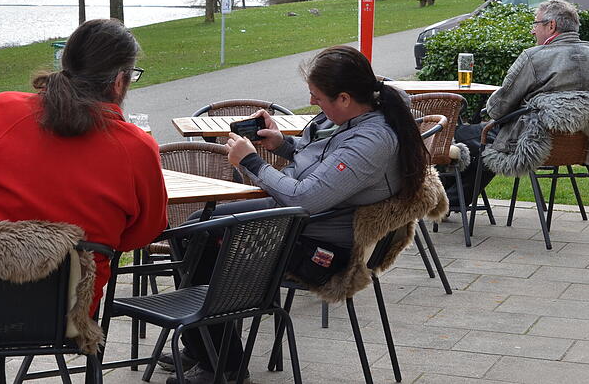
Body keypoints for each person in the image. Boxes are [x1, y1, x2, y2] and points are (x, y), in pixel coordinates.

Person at [0, 18, 169, 384]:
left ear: (66, 64)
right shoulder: (137, 148)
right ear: (118, 82)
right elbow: (144, 232)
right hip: (69, 316)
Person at [164, 45, 428, 384]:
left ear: (344, 98)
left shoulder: (371, 140)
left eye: (317, 96)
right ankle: (205, 348)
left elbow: (306, 198)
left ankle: (223, 364)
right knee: (195, 229)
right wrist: (282, 145)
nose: (312, 101)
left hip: (320, 246)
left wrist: (251, 161)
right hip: (301, 222)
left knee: (201, 237)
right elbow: (323, 165)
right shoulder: (351, 119)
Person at [446, 0, 589, 205]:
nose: (533, 31)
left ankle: (445, 200)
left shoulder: (534, 58)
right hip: (580, 145)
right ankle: (452, 200)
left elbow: (498, 109)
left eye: (535, 23)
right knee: (485, 137)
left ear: (551, 25)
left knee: (460, 134)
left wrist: (489, 110)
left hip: (531, 143)